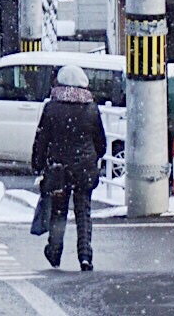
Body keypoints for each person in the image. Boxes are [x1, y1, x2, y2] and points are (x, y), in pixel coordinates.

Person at [30, 63, 104, 271]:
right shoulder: (91, 109)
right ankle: (85, 255)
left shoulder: (52, 107)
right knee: (83, 213)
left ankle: (55, 251)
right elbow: (101, 141)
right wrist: (93, 157)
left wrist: (38, 164)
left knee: (59, 211)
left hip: (58, 169)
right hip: (84, 167)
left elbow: (41, 139)